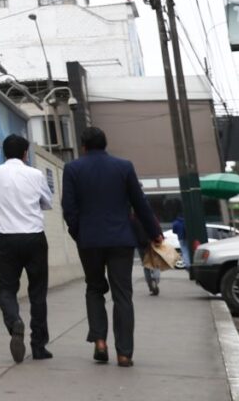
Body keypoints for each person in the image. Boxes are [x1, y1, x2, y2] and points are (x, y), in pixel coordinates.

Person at [62, 125, 161, 368]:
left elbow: (69, 209)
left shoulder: (72, 169)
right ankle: (125, 353)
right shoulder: (123, 167)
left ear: (83, 146)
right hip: (120, 240)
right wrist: (155, 233)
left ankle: (99, 342)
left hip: (89, 241)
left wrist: (79, 234)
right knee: (122, 295)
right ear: (105, 144)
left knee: (94, 288)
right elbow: (140, 203)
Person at [0, 133, 54, 363]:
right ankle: (39, 346)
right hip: (34, 237)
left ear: (3, 152)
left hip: (6, 239)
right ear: (26, 153)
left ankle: (14, 321)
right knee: (38, 293)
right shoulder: (35, 174)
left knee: (6, 290)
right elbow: (48, 202)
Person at [132, 213, 161, 296]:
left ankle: (150, 285)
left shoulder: (134, 219)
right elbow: (157, 228)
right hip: (152, 243)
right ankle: (155, 279)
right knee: (155, 263)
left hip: (141, 245)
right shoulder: (151, 217)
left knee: (146, 265)